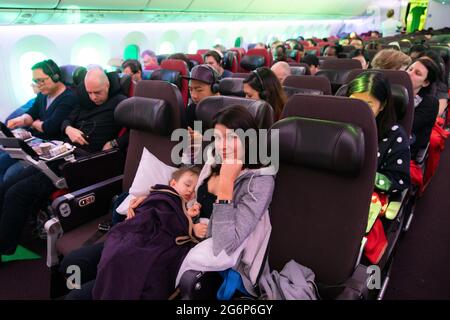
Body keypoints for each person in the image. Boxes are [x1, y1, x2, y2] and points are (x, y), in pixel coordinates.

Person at [61, 105, 276, 300]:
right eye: (218, 138)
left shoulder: (260, 182)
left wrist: (227, 185)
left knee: (85, 293)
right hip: (167, 231)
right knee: (73, 263)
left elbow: (226, 244)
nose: (223, 146)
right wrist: (155, 199)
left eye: (231, 138)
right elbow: (189, 196)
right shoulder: (214, 161)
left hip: (182, 251)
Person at [0, 67, 127, 261]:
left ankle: (5, 248)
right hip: (63, 153)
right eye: (89, 92)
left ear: (108, 85)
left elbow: (135, 131)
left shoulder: (120, 103)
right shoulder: (85, 101)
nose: (93, 97)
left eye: (98, 92)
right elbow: (66, 120)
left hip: (83, 163)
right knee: (11, 181)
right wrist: (69, 129)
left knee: (17, 192)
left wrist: (115, 142)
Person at [0, 59, 76, 188]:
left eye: (41, 80)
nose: (38, 85)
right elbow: (32, 112)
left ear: (55, 77)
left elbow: (50, 127)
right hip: (33, 145)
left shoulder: (68, 97)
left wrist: (34, 123)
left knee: (10, 175)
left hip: (48, 152)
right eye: (36, 81)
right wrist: (22, 120)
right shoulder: (43, 95)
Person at [347, 71, 410, 194]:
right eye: (354, 102)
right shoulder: (337, 124)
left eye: (368, 106)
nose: (359, 111)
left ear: (382, 105)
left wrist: (370, 177)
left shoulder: (395, 135)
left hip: (368, 195)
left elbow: (399, 180)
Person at [406, 58, 440, 160]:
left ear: (425, 83)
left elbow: (408, 127)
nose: (409, 73)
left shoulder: (430, 103)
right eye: (410, 69)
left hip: (408, 149)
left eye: (417, 73)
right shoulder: (393, 91)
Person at [183, 64, 220, 129]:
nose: (193, 96)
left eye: (199, 90)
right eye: (190, 90)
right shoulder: (192, 109)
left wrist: (202, 139)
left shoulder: (225, 113)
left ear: (215, 89)